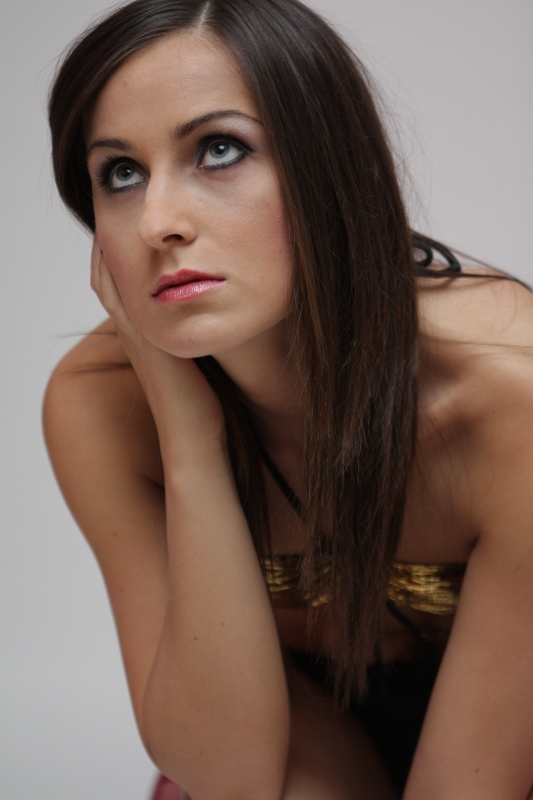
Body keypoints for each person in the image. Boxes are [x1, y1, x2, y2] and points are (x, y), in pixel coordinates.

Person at [42, 0, 533, 797]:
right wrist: (189, 437)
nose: (158, 222)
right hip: (301, 739)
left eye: (219, 149)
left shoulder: (511, 396)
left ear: (327, 166)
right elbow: (227, 775)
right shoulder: (100, 404)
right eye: (121, 173)